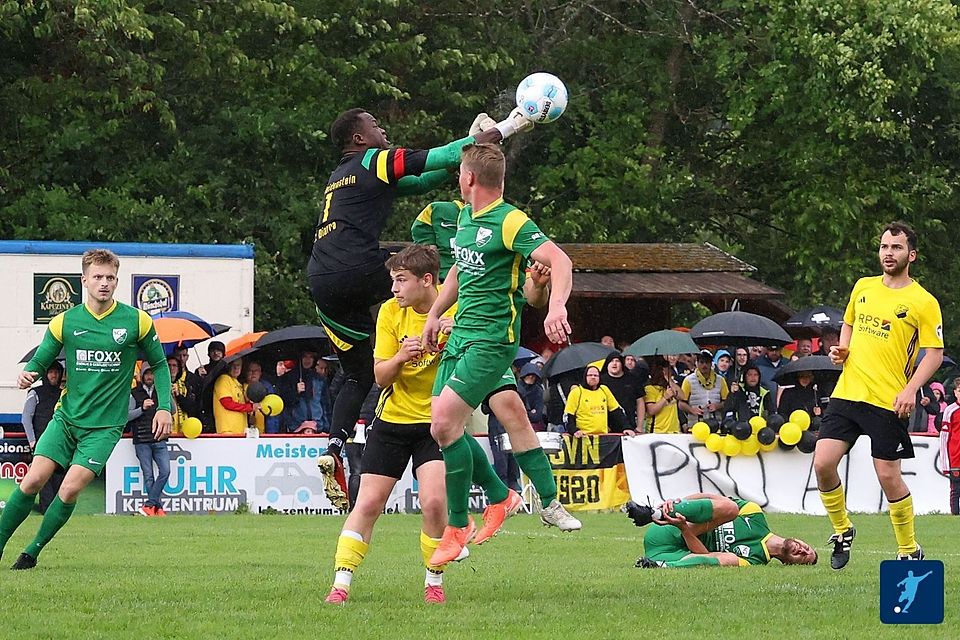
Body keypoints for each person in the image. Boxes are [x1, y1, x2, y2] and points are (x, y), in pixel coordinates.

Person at [306, 107, 533, 476]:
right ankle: (461, 330)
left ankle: (333, 446)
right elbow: (439, 156)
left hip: (321, 280)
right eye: (375, 125)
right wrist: (501, 130)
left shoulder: (339, 177)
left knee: (358, 374)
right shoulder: (372, 160)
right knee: (434, 265)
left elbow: (424, 180)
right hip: (356, 267)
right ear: (359, 139)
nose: (383, 129)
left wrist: (463, 156)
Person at [422, 142, 575, 566]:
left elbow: (560, 260)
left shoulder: (510, 221)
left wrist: (556, 304)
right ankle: (508, 496)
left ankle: (458, 528)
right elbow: (458, 269)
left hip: (491, 341)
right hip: (460, 338)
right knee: (449, 428)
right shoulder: (467, 216)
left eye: (459, 174)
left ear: (469, 178)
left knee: (445, 422)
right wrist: (435, 314)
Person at [1, 249, 172, 570]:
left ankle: (32, 551)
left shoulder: (136, 321)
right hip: (66, 420)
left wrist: (165, 406)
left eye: (109, 278)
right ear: (85, 280)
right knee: (33, 480)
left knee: (69, 488)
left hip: (104, 427)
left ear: (117, 281)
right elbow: (41, 358)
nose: (104, 283)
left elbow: (160, 365)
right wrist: (30, 373)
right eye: (98, 277)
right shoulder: (65, 321)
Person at [324, 245, 457, 605]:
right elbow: (380, 377)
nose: (394, 289)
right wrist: (401, 356)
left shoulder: (457, 311)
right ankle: (340, 584)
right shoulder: (389, 312)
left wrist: (455, 338)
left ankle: (434, 581)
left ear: (427, 281)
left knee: (432, 502)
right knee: (367, 503)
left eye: (401, 281)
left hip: (436, 425)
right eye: (393, 281)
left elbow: (477, 364)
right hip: (391, 423)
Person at [815, 222, 943, 568]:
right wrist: (842, 349)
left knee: (888, 476)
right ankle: (842, 530)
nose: (889, 253)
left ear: (911, 255)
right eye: (885, 247)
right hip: (849, 392)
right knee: (823, 463)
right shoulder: (863, 287)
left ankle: (908, 549)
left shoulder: (923, 301)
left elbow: (934, 353)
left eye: (897, 248)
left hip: (888, 400)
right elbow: (849, 324)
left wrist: (911, 389)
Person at [625, 493, 817, 568]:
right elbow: (709, 497)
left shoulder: (754, 561)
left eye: (803, 557)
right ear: (800, 539)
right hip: (665, 530)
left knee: (718, 561)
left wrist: (684, 529)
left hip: (673, 554)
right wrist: (678, 502)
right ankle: (654, 513)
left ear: (789, 563)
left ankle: (659, 566)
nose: (802, 550)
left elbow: (707, 556)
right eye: (807, 548)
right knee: (731, 508)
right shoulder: (755, 514)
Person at [20, 362, 66, 514]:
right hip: (41, 442)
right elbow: (26, 418)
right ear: (45, 374)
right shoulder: (35, 393)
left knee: (59, 477)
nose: (53, 375)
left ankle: (55, 510)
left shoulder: (64, 394)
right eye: (50, 372)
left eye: (56, 372)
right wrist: (32, 441)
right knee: (43, 479)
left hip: (60, 442)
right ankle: (47, 510)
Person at [127, 364, 170, 516]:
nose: (150, 377)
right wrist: (142, 409)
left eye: (152, 374)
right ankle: (156, 508)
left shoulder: (162, 391)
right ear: (142, 376)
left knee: (165, 471)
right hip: (142, 439)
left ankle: (150, 505)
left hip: (160, 437)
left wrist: (170, 395)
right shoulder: (134, 393)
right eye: (147, 374)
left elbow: (173, 410)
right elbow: (127, 416)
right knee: (148, 475)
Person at [563, 365, 631, 436]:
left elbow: (617, 411)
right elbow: (568, 415)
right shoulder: (577, 392)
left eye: (595, 375)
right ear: (585, 377)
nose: (593, 377)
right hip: (583, 436)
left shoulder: (604, 390)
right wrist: (574, 430)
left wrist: (626, 427)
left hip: (603, 436)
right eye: (590, 375)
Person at [278, 351, 329, 433]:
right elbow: (283, 402)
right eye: (305, 356)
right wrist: (295, 391)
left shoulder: (319, 379)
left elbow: (325, 404)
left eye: (311, 357)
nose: (307, 360)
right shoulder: (288, 378)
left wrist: (326, 427)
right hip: (296, 427)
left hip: (318, 427)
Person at [679, 350, 729, 427]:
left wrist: (717, 406)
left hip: (716, 424)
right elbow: (681, 404)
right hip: (695, 424)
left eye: (707, 362)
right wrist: (692, 410)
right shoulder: (688, 380)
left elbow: (728, 402)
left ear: (711, 363)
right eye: (701, 362)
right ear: (697, 363)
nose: (704, 365)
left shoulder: (720, 380)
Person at [212, 357, 258, 434]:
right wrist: (249, 407)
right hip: (227, 430)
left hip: (241, 431)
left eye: (238, 365)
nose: (236, 368)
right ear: (227, 366)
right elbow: (227, 403)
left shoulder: (239, 384)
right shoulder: (223, 379)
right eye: (233, 365)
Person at [601, 353, 644, 430]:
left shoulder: (632, 379)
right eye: (611, 361)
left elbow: (640, 401)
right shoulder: (601, 381)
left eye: (617, 361)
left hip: (630, 425)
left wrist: (640, 426)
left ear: (622, 364)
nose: (614, 363)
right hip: (607, 427)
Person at [643, 357, 683, 434]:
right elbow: (651, 410)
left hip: (674, 431)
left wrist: (669, 380)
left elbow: (682, 397)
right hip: (657, 432)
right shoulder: (650, 388)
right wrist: (665, 398)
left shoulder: (672, 387)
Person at [938, 383, 960, 515]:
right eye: (959, 390)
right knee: (956, 488)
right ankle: (955, 515)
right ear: (955, 392)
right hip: (955, 455)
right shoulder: (950, 410)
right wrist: (945, 462)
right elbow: (944, 436)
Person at [244, 361, 280, 434]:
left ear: (260, 373)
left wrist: (271, 434)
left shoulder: (267, 388)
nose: (253, 373)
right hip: (244, 430)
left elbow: (272, 412)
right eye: (250, 371)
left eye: (256, 371)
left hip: (263, 432)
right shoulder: (240, 386)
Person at [517, 362, 546, 432]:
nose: (531, 377)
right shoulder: (516, 389)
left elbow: (537, 416)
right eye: (529, 374)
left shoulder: (538, 390)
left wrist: (526, 412)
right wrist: (531, 412)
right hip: (518, 427)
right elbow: (516, 413)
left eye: (533, 375)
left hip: (534, 429)